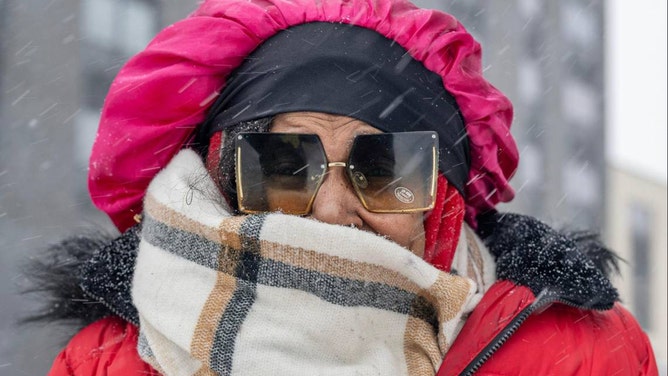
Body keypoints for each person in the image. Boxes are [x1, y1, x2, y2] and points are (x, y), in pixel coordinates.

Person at [26, 0, 657, 374]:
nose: (331, 211)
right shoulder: (107, 363)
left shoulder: (580, 354)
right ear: (225, 177)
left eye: (385, 169)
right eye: (282, 163)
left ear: (442, 200)